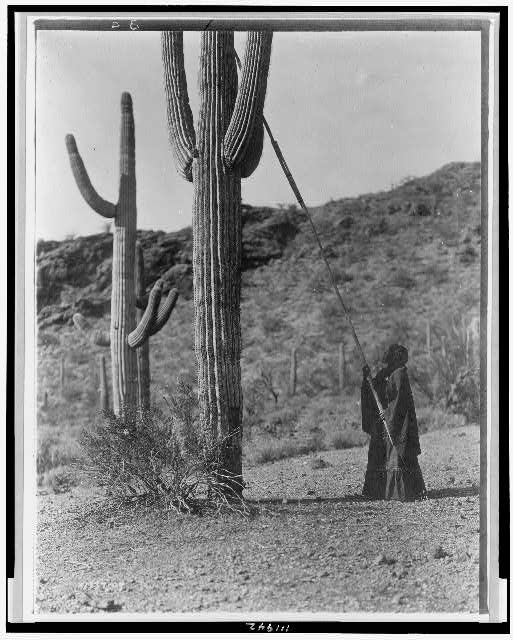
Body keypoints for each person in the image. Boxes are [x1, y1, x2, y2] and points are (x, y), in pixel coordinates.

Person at [360, 344, 426, 501]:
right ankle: (378, 491)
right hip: (388, 419)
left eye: (390, 355)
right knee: (383, 452)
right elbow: (375, 390)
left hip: (398, 423)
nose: (386, 357)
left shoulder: (399, 374)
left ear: (395, 357)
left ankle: (402, 492)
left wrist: (387, 416)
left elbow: (398, 402)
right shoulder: (389, 372)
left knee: (397, 453)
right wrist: (367, 378)